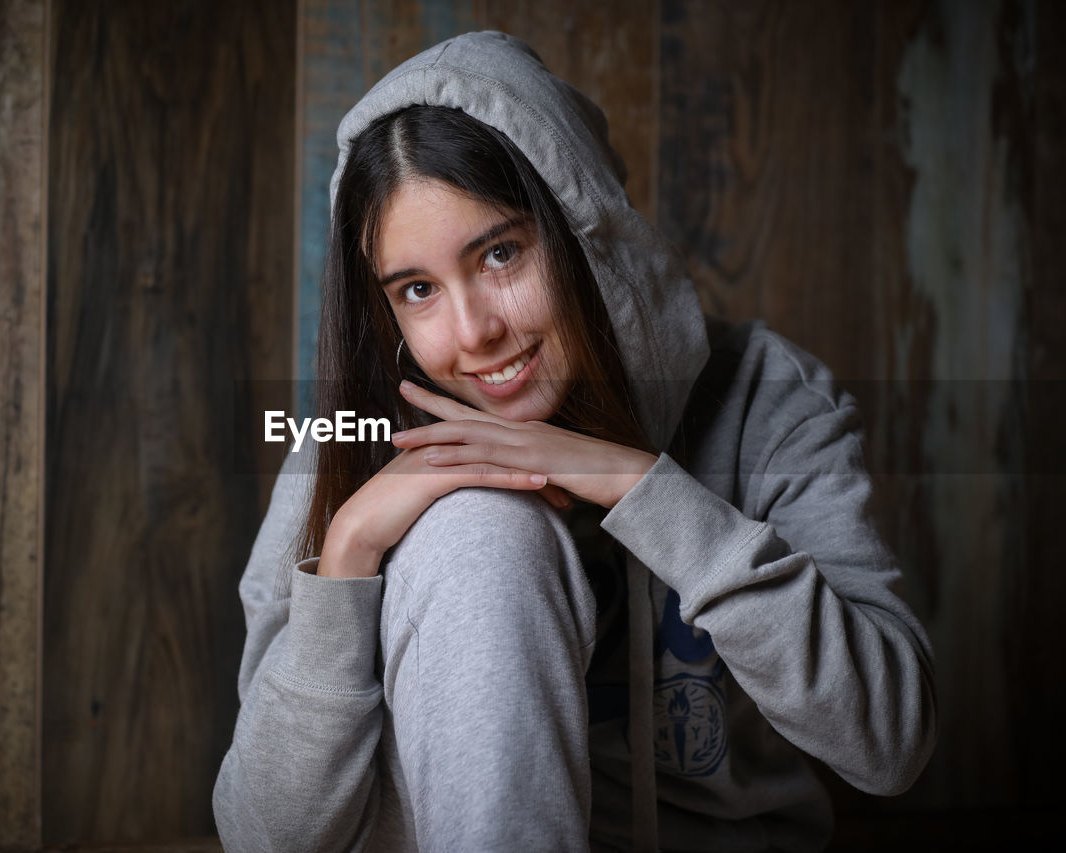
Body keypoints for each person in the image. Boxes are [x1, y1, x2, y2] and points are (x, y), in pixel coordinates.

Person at [213, 31, 936, 852]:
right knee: (481, 530)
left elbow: (892, 744)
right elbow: (262, 837)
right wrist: (346, 556)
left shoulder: (768, 401)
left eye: (501, 253)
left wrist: (641, 487)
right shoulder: (349, 436)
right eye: (417, 290)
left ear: (587, 230)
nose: (473, 331)